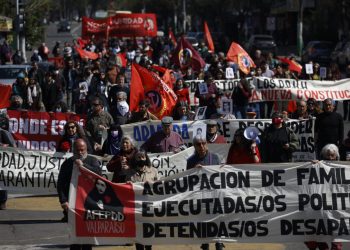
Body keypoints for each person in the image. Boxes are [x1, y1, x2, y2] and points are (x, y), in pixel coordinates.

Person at [186, 136, 224, 250]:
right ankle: (205, 243)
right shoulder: (191, 161)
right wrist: (194, 171)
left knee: (217, 218)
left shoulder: (215, 158)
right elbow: (188, 180)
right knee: (204, 220)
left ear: (206, 144)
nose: (201, 146)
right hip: (200, 195)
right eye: (198, 144)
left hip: (214, 194)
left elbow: (220, 176)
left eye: (203, 143)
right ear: (194, 146)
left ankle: (219, 242)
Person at [304, 143, 342, 250]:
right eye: (327, 156)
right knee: (315, 237)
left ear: (336, 156)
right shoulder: (317, 166)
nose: (330, 158)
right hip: (319, 207)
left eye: (332, 156)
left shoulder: (343, 169)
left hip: (336, 208)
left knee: (336, 240)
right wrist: (313, 166)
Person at [57, 138, 101, 223]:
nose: (80, 153)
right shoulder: (67, 163)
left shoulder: (92, 160)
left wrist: (83, 165)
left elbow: (98, 174)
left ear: (86, 149)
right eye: (77, 151)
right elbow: (61, 183)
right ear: (73, 150)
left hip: (89, 199)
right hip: (72, 199)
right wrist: (63, 200)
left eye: (82, 150)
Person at [0, 114, 16, 210]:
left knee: (2, 181)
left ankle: (2, 201)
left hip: (2, 162)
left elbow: (13, 147)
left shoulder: (3, 133)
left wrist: (3, 146)